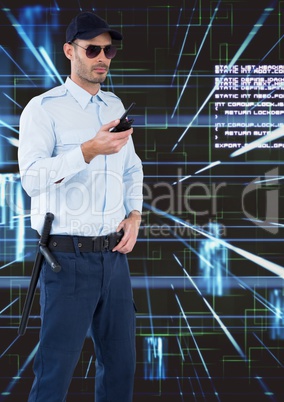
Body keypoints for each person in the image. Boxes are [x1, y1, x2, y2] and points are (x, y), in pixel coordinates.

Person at [18, 11, 143, 402]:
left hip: (114, 258)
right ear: (70, 51)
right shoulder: (43, 109)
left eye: (108, 50)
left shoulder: (113, 105)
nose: (102, 57)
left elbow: (132, 167)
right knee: (55, 372)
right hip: (67, 260)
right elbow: (32, 179)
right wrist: (86, 151)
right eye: (92, 49)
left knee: (121, 367)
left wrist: (136, 214)